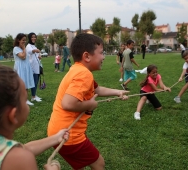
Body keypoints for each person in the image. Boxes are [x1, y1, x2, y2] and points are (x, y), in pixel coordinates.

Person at [47, 33, 129, 170]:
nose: (103, 57)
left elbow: (97, 90)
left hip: (58, 131)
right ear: (87, 56)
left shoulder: (77, 69)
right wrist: (90, 105)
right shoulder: (84, 74)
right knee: (99, 164)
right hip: (69, 135)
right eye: (101, 53)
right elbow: (67, 103)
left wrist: (118, 92)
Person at [13, 33, 35, 105]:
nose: (24, 41)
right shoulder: (16, 48)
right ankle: (21, 100)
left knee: (26, 83)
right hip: (20, 68)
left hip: (26, 67)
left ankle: (25, 99)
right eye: (23, 40)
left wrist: (23, 48)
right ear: (18, 40)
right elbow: (23, 56)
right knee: (21, 84)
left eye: (25, 40)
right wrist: (24, 48)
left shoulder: (23, 48)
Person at [26, 32, 42, 102]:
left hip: (37, 66)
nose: (34, 38)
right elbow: (29, 51)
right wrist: (35, 50)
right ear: (29, 38)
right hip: (32, 67)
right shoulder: (28, 46)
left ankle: (34, 95)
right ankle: (33, 97)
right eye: (32, 37)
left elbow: (36, 54)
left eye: (35, 37)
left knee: (36, 81)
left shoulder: (34, 46)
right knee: (34, 82)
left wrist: (39, 56)